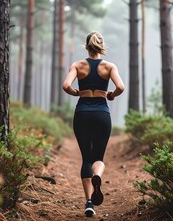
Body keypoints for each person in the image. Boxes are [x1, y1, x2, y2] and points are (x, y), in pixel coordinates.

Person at [62, 31, 124, 217]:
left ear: (86, 47)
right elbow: (120, 87)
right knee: (98, 158)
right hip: (101, 114)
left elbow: (66, 85)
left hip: (82, 114)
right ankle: (98, 176)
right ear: (100, 47)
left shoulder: (78, 65)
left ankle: (89, 202)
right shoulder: (109, 66)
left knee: (86, 159)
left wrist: (76, 93)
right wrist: (111, 95)